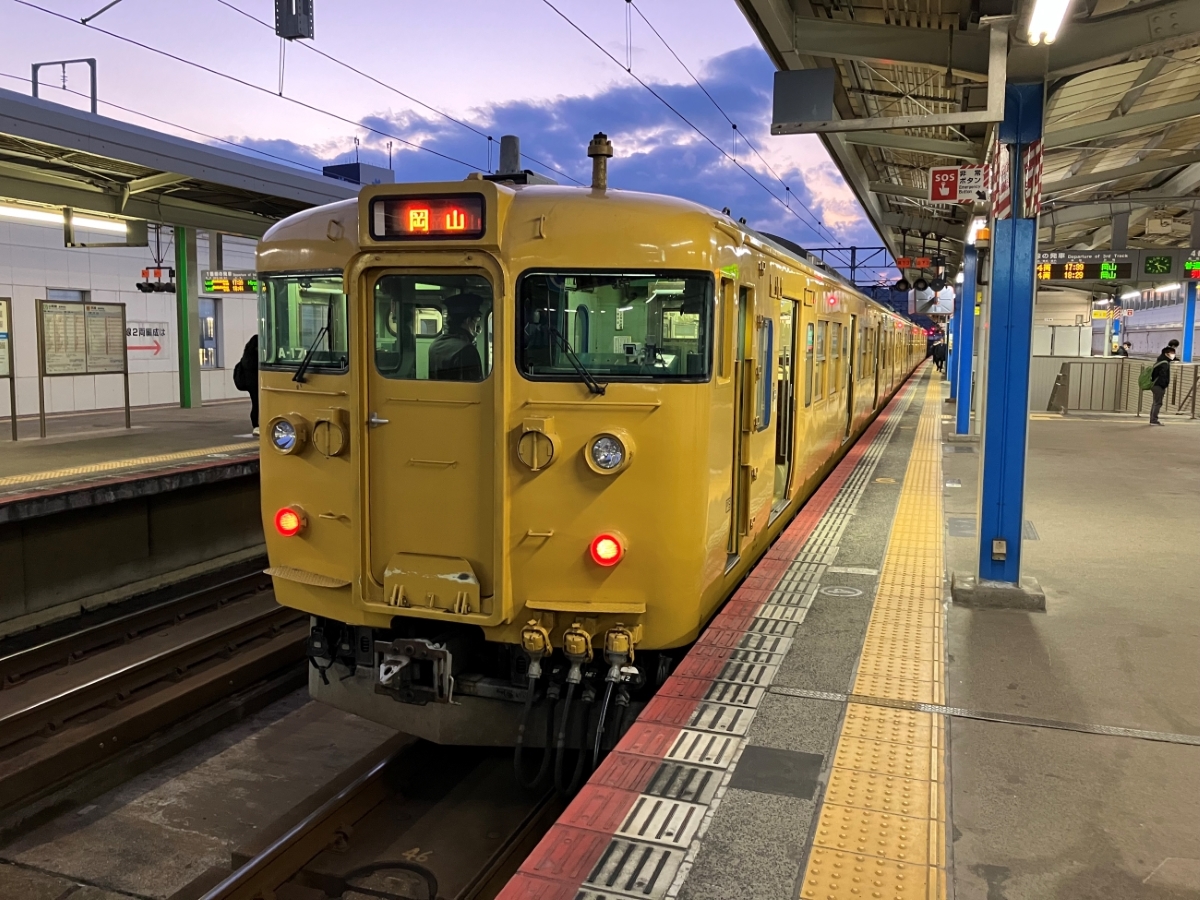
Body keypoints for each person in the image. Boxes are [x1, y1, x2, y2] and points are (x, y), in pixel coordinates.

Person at [429, 294, 486, 381]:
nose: (477, 327)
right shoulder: (466, 350)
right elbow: (474, 387)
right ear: (468, 321)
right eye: (476, 321)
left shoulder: (435, 344)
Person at [233, 335, 259, 436]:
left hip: (250, 384)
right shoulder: (256, 358)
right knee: (258, 404)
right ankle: (257, 425)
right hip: (256, 383)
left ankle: (256, 426)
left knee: (255, 403)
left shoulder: (246, 357)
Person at [1148, 345, 1175, 426]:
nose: (1173, 355)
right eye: (1172, 353)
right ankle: (1154, 420)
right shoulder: (1164, 364)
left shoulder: (1160, 361)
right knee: (1158, 403)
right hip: (1159, 385)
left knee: (1155, 402)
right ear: (1166, 354)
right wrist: (1164, 385)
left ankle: (1152, 419)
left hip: (1154, 385)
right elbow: (1163, 375)